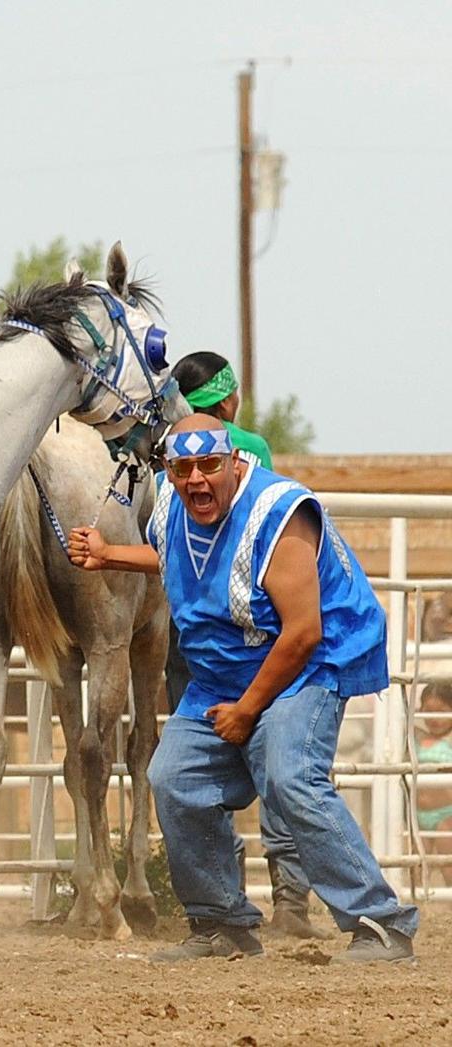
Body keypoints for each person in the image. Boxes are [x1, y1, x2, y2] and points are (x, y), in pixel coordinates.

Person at [68, 414, 419, 963]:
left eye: (209, 466)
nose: (196, 480)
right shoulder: (171, 506)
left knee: (290, 775)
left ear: (234, 463)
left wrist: (248, 710)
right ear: (170, 470)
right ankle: (221, 923)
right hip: (223, 672)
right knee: (172, 777)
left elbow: (303, 631)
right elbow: (177, 558)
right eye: (183, 469)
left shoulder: (278, 513)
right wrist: (109, 554)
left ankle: (379, 922)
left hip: (307, 664)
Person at [166, 351, 321, 938]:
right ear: (228, 401)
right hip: (252, 634)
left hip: (195, 634)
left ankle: (222, 905)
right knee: (277, 768)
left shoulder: (173, 455)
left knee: (198, 770)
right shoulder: (246, 447)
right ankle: (289, 900)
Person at [416, 683, 452, 886]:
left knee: (448, 866)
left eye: (442, 712)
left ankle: (449, 906)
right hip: (417, 815)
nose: (435, 718)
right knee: (415, 865)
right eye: (428, 711)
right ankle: (419, 905)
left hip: (446, 814)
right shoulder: (417, 737)